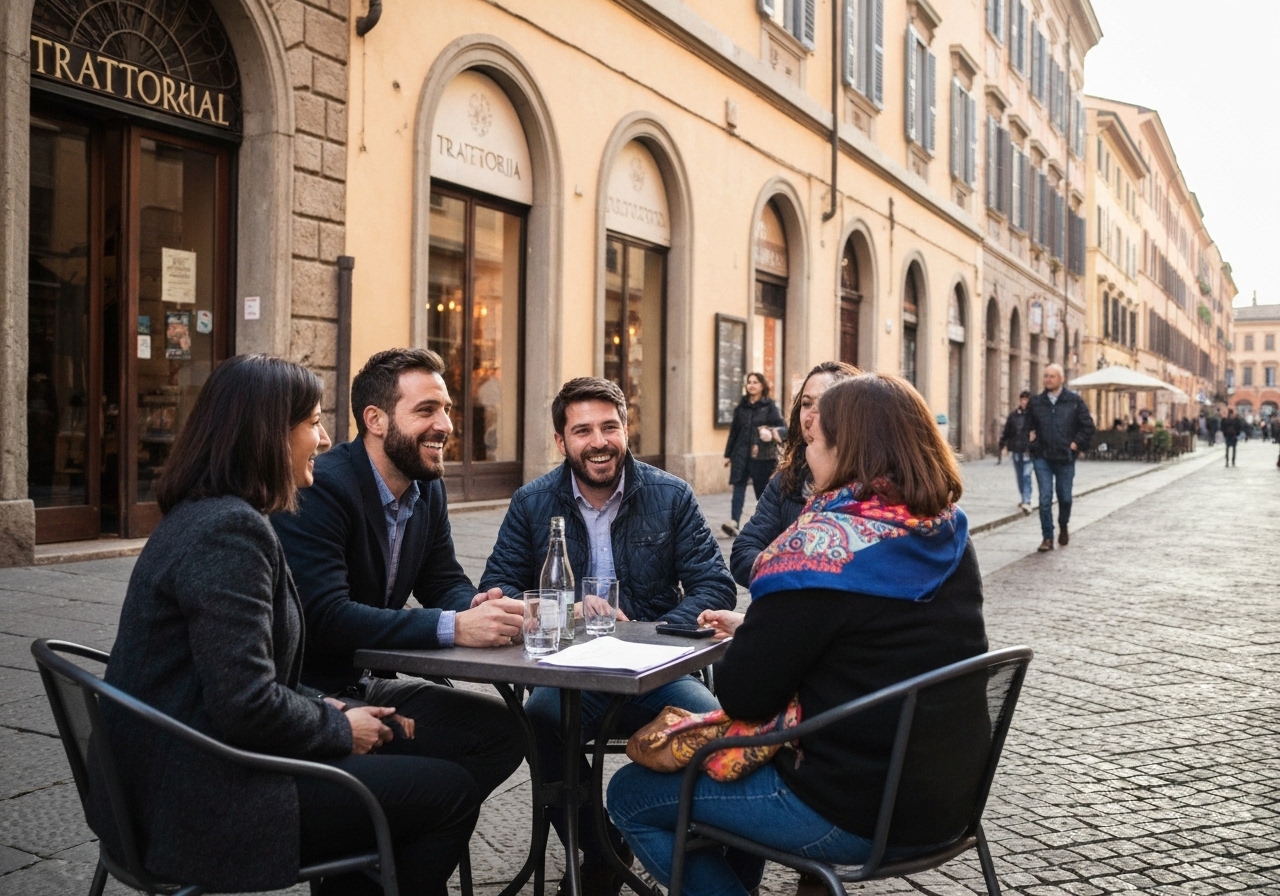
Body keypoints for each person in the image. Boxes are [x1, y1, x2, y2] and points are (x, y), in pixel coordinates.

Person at [91, 355, 480, 896]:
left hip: (180, 770)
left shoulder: (211, 515)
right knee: (449, 792)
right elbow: (246, 703)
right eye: (313, 423)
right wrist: (341, 726)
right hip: (199, 799)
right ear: (268, 436)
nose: (323, 439)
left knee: (442, 763)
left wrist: (331, 708)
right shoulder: (229, 532)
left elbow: (240, 677)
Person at [607, 373, 989, 896]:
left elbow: (744, 695)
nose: (806, 456)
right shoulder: (944, 530)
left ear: (844, 449)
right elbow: (876, 640)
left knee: (631, 794)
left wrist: (763, 634)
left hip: (851, 810)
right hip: (951, 798)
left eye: (812, 442)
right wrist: (767, 629)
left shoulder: (820, 552)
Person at [479, 376, 737, 896]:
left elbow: (714, 584)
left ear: (625, 429)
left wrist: (649, 631)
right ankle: (600, 850)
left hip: (655, 667)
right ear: (561, 441)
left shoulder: (670, 494)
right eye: (582, 431)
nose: (598, 441)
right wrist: (559, 608)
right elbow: (497, 587)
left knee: (715, 730)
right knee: (537, 722)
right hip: (570, 673)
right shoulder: (532, 502)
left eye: (609, 427)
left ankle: (700, 856)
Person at [271, 349, 526, 823]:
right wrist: (453, 627)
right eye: (426, 410)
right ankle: (385, 843)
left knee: (503, 732)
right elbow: (325, 618)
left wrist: (480, 607)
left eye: (447, 409)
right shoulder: (322, 487)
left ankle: (390, 844)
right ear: (376, 420)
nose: (446, 425)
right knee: (442, 792)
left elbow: (442, 579)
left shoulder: (426, 486)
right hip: (309, 694)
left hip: (364, 683)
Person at [729, 361, 859, 588]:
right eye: (806, 404)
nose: (809, 418)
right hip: (746, 457)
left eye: (824, 404)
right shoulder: (788, 480)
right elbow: (743, 552)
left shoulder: (875, 485)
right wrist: (786, 576)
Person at [1026, 363, 1095, 552]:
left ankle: (1063, 525)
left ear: (1061, 379)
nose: (1047, 379)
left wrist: (1076, 443)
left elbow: (1088, 426)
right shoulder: (1036, 402)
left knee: (1065, 498)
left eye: (1052, 376)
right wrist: (1031, 442)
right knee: (1045, 498)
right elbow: (1026, 426)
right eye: (1045, 376)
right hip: (1042, 457)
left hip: (1065, 457)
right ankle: (1047, 537)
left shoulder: (1074, 401)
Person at [720, 372, 786, 537]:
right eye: (749, 382)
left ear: (762, 385)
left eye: (755, 382)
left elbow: (782, 428)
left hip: (761, 456)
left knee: (762, 491)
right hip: (740, 453)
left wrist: (770, 432)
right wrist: (728, 454)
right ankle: (734, 522)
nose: (751, 385)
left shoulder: (769, 407)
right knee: (738, 487)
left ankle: (767, 523)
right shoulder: (741, 407)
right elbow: (734, 432)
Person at [998, 391, 1034, 515]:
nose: (1024, 402)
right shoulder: (1013, 416)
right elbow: (1007, 432)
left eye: (1026, 400)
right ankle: (1023, 497)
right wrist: (1003, 446)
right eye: (1022, 399)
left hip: (1029, 451)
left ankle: (1026, 500)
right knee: (1020, 477)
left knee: (1026, 475)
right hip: (1016, 450)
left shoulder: (1034, 416)